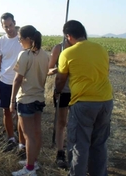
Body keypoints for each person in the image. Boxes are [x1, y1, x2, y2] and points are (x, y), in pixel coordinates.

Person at [55, 20, 113, 176]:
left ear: (68, 36)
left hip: (83, 103)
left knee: (79, 145)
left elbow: (61, 79)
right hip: (106, 101)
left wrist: (57, 92)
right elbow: (105, 72)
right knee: (99, 144)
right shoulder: (100, 49)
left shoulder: (67, 53)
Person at [10, 25, 49, 176]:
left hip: (26, 99)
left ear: (28, 39)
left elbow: (18, 79)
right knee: (36, 133)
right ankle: (33, 161)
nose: (19, 41)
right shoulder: (45, 55)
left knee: (28, 136)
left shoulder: (24, 55)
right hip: (39, 98)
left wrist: (12, 100)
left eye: (20, 38)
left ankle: (30, 168)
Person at [0, 13, 25, 153]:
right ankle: (11, 138)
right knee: (6, 111)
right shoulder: (0, 41)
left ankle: (22, 144)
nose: (9, 29)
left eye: (11, 25)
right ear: (2, 26)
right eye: (6, 26)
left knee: (21, 114)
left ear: (15, 23)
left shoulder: (22, 40)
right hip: (5, 81)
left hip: (22, 82)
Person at [48, 39, 72, 169]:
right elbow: (49, 69)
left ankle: (75, 152)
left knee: (75, 123)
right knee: (61, 122)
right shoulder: (59, 48)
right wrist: (58, 69)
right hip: (62, 91)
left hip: (79, 91)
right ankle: (60, 152)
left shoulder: (81, 47)